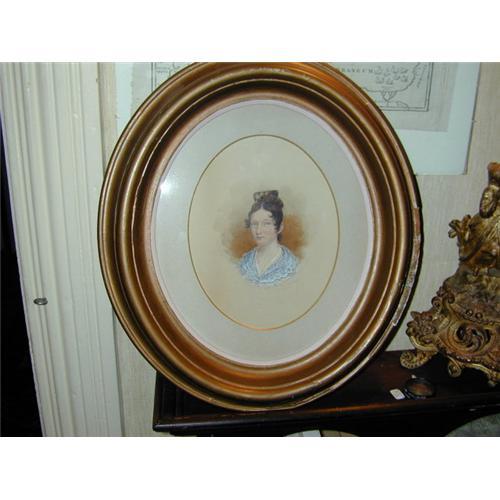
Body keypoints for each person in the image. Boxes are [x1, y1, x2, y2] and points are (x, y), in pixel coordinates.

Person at [239, 190, 298, 285]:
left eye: (266, 224)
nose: (258, 231)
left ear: (279, 227)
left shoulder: (291, 265)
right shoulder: (244, 263)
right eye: (254, 224)